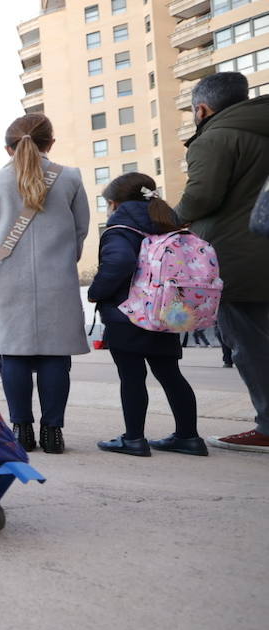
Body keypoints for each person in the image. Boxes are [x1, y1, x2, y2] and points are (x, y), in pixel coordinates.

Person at [0, 113, 90, 454]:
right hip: (57, 280)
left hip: (6, 280)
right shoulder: (70, 178)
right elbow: (80, 231)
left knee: (14, 357)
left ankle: (21, 430)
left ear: (8, 148)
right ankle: (53, 433)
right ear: (50, 143)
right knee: (55, 357)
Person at [176, 72, 269, 452]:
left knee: (250, 343)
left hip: (239, 257)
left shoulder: (215, 138)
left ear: (202, 108)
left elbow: (201, 198)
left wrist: (171, 217)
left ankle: (267, 425)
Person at [87, 174, 206, 456]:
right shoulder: (168, 224)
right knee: (171, 375)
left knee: (132, 377)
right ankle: (188, 437)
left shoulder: (121, 228)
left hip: (127, 315)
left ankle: (134, 439)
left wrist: (96, 291)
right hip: (167, 312)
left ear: (115, 203)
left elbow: (120, 261)